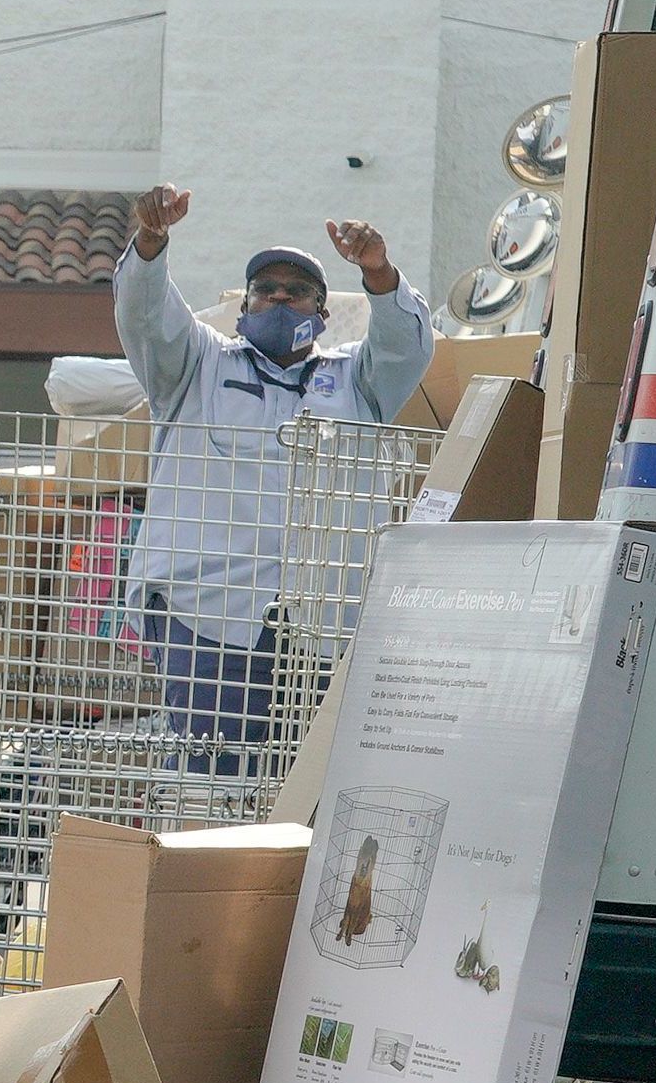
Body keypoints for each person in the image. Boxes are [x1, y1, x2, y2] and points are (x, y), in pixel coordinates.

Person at [112, 186, 431, 768]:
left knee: (310, 789)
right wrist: (153, 241)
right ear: (243, 308)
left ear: (322, 314)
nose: (281, 299)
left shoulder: (357, 380)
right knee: (216, 783)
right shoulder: (196, 364)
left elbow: (406, 346)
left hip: (326, 626)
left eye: (299, 292)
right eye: (266, 291)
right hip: (207, 612)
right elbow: (143, 316)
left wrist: (379, 273)